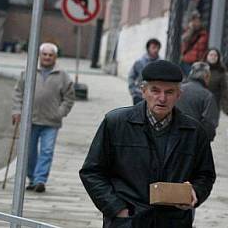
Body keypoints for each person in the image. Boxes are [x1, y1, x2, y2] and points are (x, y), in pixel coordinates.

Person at [80, 60, 216, 227]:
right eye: (155, 90)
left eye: (169, 92)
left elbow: (205, 175)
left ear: (179, 95)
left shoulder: (194, 132)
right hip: (128, 220)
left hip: (173, 221)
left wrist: (195, 192)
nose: (162, 98)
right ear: (143, 91)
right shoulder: (116, 123)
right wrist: (116, 208)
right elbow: (92, 172)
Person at [11, 43, 75, 193]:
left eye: (50, 55)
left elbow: (69, 97)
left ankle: (40, 180)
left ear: (55, 57)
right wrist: (16, 111)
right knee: (29, 151)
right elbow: (18, 92)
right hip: (30, 120)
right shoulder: (29, 71)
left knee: (47, 151)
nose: (47, 57)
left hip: (51, 121)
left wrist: (60, 112)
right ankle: (32, 178)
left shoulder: (63, 75)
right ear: (39, 56)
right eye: (44, 54)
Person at [177, 62, 220, 142]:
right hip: (193, 142)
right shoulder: (207, 96)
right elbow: (209, 124)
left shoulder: (178, 90)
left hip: (173, 137)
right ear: (206, 76)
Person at [127, 38, 163, 105]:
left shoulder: (161, 63)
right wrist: (133, 91)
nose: (156, 50)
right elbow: (131, 77)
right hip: (139, 95)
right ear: (148, 48)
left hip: (155, 97)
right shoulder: (140, 62)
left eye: (158, 48)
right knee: (138, 114)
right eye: (153, 47)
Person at [180, 12, 208, 77]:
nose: (196, 23)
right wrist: (191, 30)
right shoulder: (188, 32)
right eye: (194, 21)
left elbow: (204, 49)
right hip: (186, 62)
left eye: (198, 21)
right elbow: (184, 42)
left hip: (197, 63)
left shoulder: (204, 34)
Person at [204, 48, 228, 115]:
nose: (213, 57)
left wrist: (226, 109)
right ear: (207, 56)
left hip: (214, 103)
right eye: (211, 55)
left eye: (215, 55)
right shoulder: (200, 68)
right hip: (200, 102)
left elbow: (224, 91)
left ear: (218, 58)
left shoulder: (221, 71)